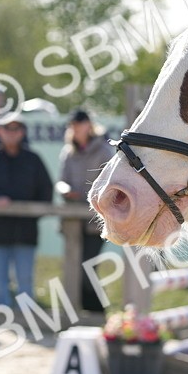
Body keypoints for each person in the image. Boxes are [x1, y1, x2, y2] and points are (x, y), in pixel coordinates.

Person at [0, 119, 53, 308]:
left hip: (25, 232)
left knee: (25, 278)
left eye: (16, 129)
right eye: (7, 128)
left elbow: (46, 191)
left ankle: (26, 316)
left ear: (22, 132)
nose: (11, 133)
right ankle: (1, 316)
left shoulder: (33, 160)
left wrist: (30, 212)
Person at [56, 109, 115, 312]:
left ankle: (97, 311)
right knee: (74, 268)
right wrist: (65, 190)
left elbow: (109, 184)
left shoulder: (103, 151)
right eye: (73, 124)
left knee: (87, 268)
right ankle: (84, 311)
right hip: (73, 220)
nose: (76, 128)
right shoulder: (68, 152)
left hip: (95, 221)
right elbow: (61, 180)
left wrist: (88, 196)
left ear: (89, 125)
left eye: (79, 123)